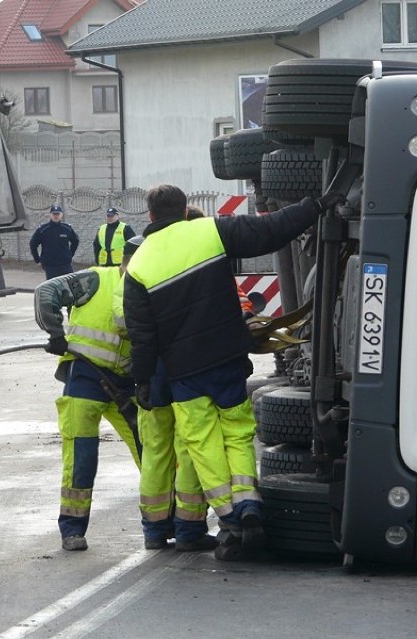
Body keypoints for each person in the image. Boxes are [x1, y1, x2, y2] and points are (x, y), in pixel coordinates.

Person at [122, 184, 345, 561]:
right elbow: (271, 229)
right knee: (239, 434)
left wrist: (143, 380)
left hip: (184, 373)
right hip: (226, 359)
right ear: (182, 208)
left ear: (150, 216)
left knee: (202, 442)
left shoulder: (140, 265)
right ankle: (250, 504)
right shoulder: (211, 231)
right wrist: (316, 205)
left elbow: (143, 337)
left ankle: (230, 516)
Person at [33, 236, 144, 551]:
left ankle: (164, 521)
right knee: (81, 456)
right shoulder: (96, 279)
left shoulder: (146, 289)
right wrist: (55, 334)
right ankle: (72, 529)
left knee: (151, 451)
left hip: (125, 385)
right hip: (85, 377)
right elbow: (47, 291)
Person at [29, 205, 79, 280]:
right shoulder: (43, 230)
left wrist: (70, 255)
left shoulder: (67, 229)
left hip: (65, 264)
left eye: (58, 214)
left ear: (61, 215)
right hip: (50, 265)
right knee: (53, 287)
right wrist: (37, 260)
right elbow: (33, 244)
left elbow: (75, 241)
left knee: (70, 285)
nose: (56, 216)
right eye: (54, 214)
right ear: (50, 215)